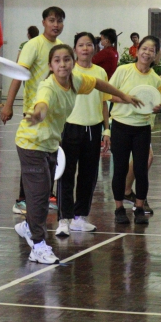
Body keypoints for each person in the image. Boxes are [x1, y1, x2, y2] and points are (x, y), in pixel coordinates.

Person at [13, 44, 142, 263]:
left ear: (73, 63)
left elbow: (98, 83)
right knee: (38, 196)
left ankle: (27, 226)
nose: (62, 64)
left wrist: (123, 95)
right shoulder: (48, 87)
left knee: (43, 193)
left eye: (66, 59)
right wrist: (37, 115)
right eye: (57, 60)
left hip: (50, 144)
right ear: (50, 66)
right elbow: (42, 105)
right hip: (31, 144)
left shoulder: (76, 80)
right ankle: (38, 245)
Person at [2, 8, 66, 215]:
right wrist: (8, 105)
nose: (56, 24)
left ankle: (46, 195)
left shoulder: (60, 47)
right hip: (34, 112)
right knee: (33, 156)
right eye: (52, 20)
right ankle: (23, 199)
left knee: (51, 155)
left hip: (54, 114)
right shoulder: (33, 45)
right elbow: (18, 75)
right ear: (43, 22)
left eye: (59, 21)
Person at [110, 35, 161, 225]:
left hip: (142, 128)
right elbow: (108, 94)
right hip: (120, 125)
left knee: (141, 169)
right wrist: (127, 99)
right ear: (138, 51)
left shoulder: (155, 79)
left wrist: (157, 108)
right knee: (120, 169)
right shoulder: (123, 70)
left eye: (152, 51)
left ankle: (139, 208)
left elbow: (157, 103)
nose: (147, 53)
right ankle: (119, 208)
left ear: (156, 56)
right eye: (144, 49)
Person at [55, 32, 111, 237]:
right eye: (81, 45)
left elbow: (104, 103)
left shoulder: (100, 72)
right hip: (69, 128)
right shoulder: (68, 70)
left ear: (95, 48)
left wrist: (106, 129)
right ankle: (63, 219)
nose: (85, 48)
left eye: (89, 45)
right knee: (66, 174)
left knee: (89, 175)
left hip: (93, 129)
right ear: (75, 49)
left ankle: (80, 217)